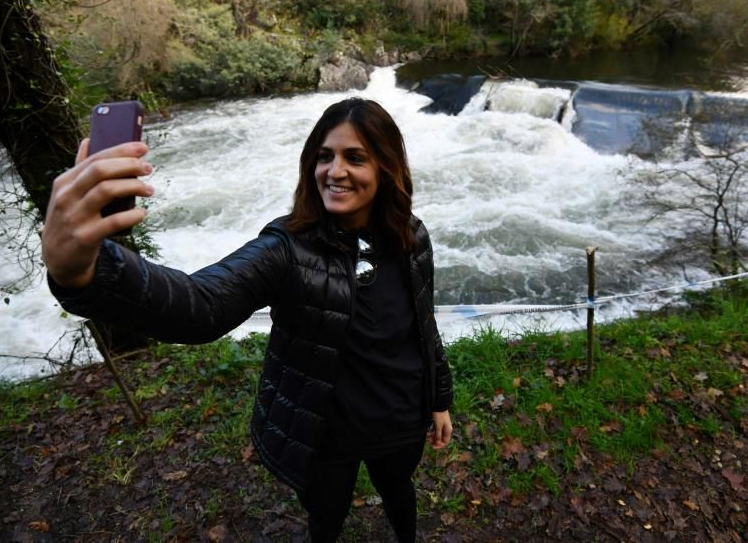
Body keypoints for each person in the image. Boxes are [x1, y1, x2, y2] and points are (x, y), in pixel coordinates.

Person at [41, 98, 454, 542]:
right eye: (324, 156)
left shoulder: (412, 236)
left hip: (400, 420)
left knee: (399, 492)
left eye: (356, 158)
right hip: (324, 433)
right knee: (326, 515)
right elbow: (202, 305)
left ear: (387, 167)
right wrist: (86, 270)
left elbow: (422, 326)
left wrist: (439, 398)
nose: (335, 172)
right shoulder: (287, 249)